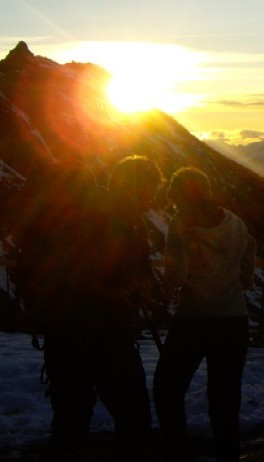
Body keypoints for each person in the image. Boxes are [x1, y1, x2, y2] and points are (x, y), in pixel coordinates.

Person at [15, 156, 162, 459]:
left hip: (75, 335)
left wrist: (140, 286)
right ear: (130, 188)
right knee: (128, 418)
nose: (149, 202)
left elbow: (135, 269)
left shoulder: (125, 222)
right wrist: (116, 294)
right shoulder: (93, 220)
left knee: (72, 419)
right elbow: (66, 274)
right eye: (147, 192)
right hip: (91, 334)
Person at [153, 167, 257, 462]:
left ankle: (176, 449)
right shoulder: (234, 221)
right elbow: (250, 247)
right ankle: (228, 454)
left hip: (194, 320)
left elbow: (176, 275)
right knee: (225, 397)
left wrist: (166, 284)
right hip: (235, 320)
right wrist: (245, 279)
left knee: (167, 387)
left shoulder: (181, 225)